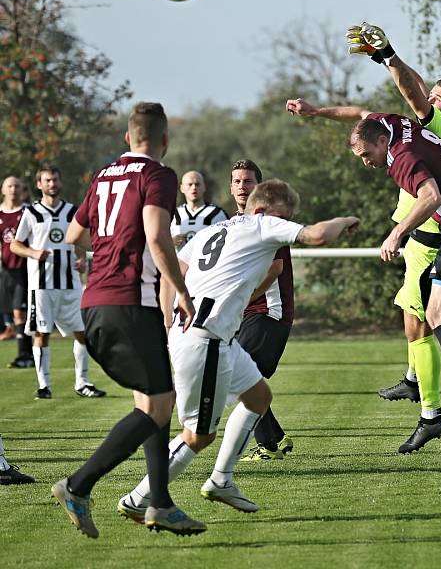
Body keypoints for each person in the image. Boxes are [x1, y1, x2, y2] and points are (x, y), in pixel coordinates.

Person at [117, 179, 359, 520]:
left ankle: (221, 480)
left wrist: (169, 322)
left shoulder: (212, 231)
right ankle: (139, 498)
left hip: (211, 336)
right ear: (261, 210)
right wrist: (345, 220)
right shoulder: (260, 223)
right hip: (206, 338)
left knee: (259, 396)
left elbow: (175, 275)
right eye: (283, 217)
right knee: (198, 435)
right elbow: (317, 235)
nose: (285, 225)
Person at [286, 91, 441, 452]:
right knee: (412, 320)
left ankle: (432, 413)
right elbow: (359, 113)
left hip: (430, 240)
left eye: (437, 98)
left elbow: (409, 87)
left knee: (424, 323)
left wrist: (386, 55)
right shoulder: (404, 128)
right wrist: (316, 112)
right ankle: (415, 380)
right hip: (422, 242)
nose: (428, 101)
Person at [53, 102, 206, 539]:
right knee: (159, 405)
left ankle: (160, 503)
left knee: (150, 401)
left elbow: (74, 235)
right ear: (164, 140)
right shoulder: (157, 175)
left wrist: (108, 247)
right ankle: (77, 486)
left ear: (127, 137)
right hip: (128, 304)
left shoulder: (103, 176)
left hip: (94, 302)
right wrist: (182, 291)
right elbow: (157, 237)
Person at [347, 113, 441, 443]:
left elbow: (431, 197)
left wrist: (396, 234)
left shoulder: (400, 157)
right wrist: (318, 111)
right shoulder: (395, 124)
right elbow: (367, 110)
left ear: (381, 142)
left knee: (435, 314)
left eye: (366, 155)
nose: (366, 163)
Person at [11, 165, 106, 400]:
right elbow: (15, 244)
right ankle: (44, 386)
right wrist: (34, 253)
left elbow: (80, 241)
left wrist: (82, 260)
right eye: (47, 181)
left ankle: (82, 382)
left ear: (60, 183)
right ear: (39, 185)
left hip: (70, 283)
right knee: (41, 333)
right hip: (41, 285)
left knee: (82, 332)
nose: (52, 184)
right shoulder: (31, 213)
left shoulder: (72, 211)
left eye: (55, 180)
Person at [222, 160, 296, 461]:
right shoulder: (232, 223)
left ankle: (270, 443)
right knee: (239, 378)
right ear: (231, 187)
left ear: (259, 188)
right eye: (237, 181)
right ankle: (274, 440)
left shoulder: (270, 222)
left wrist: (246, 297)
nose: (242, 186)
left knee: (235, 377)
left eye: (248, 181)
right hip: (243, 313)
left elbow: (275, 268)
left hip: (268, 312)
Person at [0, 176, 34, 368]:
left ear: (22, 189)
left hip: (25, 269)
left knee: (19, 312)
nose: (13, 189)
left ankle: (25, 355)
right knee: (15, 314)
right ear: (3, 190)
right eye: (9, 186)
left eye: (17, 186)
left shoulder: (28, 211)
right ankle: (26, 354)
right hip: (7, 270)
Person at [171, 170, 228, 249]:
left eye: (197, 184)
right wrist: (171, 242)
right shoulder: (172, 214)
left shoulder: (217, 214)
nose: (194, 187)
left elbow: (227, 242)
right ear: (182, 188)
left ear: (204, 187)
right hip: (178, 261)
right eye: (190, 184)